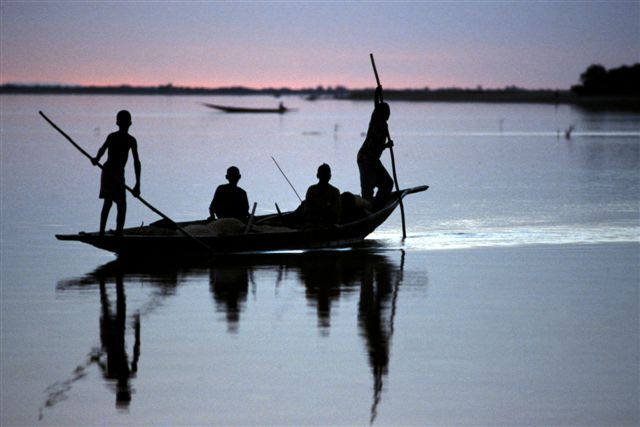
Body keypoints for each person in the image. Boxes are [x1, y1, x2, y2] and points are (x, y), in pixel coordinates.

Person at [92, 110, 141, 236]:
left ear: (129, 123)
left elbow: (137, 162)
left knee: (119, 204)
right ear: (118, 123)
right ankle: (104, 232)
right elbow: (102, 150)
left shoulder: (131, 140)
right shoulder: (113, 137)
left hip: (118, 173)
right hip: (109, 172)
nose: (125, 124)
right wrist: (96, 159)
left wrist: (137, 184)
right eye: (123, 121)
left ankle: (118, 232)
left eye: (126, 121)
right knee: (111, 202)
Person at [357, 85, 394, 207]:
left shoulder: (384, 125)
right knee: (368, 189)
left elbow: (378, 146)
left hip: (373, 159)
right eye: (386, 112)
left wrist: (386, 145)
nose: (388, 115)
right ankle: (367, 208)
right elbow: (377, 107)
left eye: (389, 113)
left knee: (387, 183)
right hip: (366, 158)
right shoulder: (375, 121)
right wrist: (376, 94)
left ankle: (376, 205)